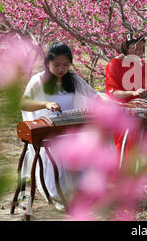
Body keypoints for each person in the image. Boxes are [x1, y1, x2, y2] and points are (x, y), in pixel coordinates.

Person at [20, 42, 108, 208]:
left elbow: (94, 95)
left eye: (66, 65)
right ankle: (60, 193)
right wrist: (45, 104)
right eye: (57, 65)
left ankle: (81, 189)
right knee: (59, 151)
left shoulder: (72, 79)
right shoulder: (38, 80)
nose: (61, 69)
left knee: (91, 144)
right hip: (48, 131)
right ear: (47, 63)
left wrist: (110, 102)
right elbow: (24, 103)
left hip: (69, 128)